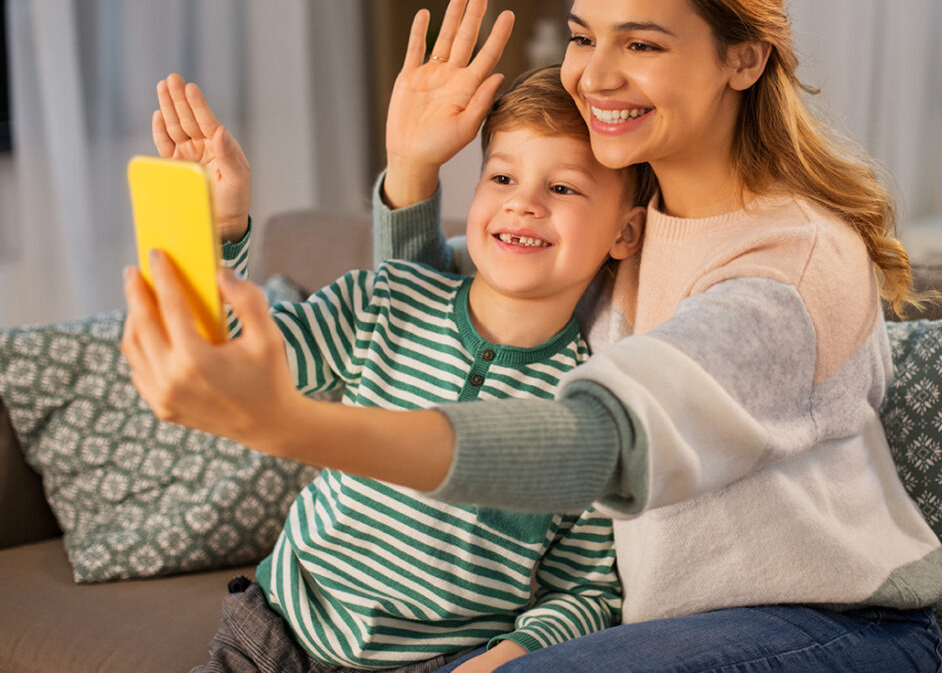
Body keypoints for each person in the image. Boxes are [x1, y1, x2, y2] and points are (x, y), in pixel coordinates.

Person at [125, 0, 942, 671]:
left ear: (744, 57)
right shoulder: (615, 234)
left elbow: (599, 444)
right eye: (584, 36)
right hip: (667, 628)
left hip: (827, 625)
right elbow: (421, 307)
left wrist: (290, 424)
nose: (592, 74)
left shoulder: (792, 265)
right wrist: (410, 169)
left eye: (644, 43)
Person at [129, 50, 653, 673]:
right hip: (276, 634)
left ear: (626, 232)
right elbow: (237, 356)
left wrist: (503, 660)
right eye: (502, 178)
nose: (523, 204)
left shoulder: (587, 406)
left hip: (435, 661)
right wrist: (218, 226)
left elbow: (586, 591)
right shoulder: (387, 297)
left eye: (562, 188)